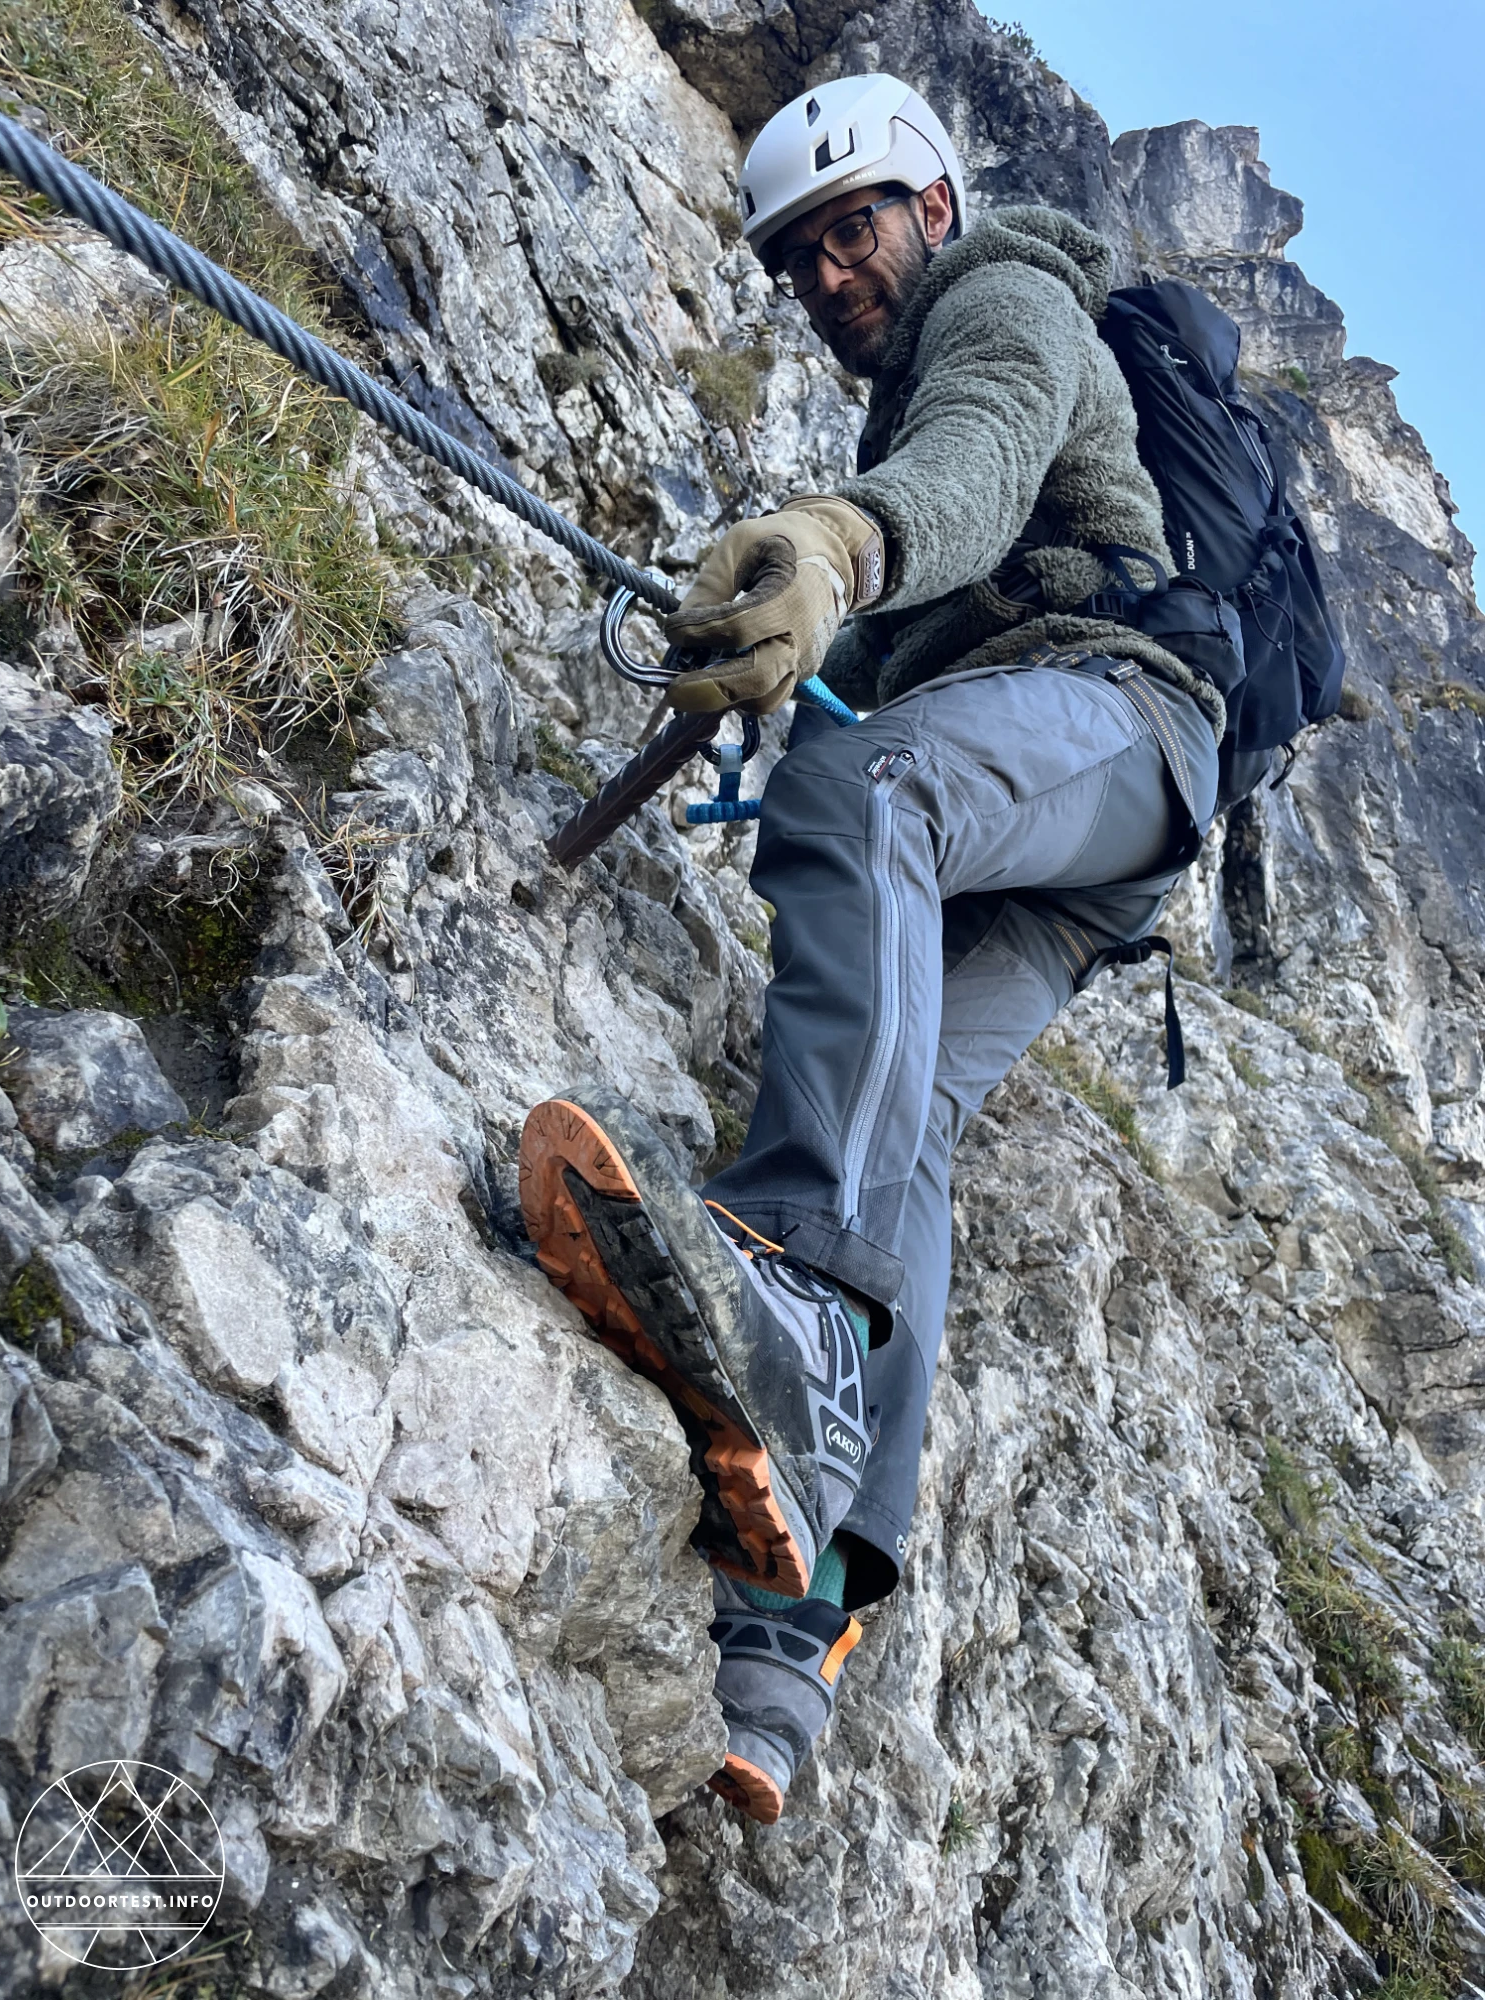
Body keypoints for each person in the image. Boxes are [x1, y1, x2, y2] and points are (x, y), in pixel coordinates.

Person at [518, 71, 1222, 1824]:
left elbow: (977, 457)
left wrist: (840, 540)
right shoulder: (914, 375)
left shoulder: (1010, 301)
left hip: (1117, 726)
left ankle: (800, 1299)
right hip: (1067, 861)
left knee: (865, 786)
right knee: (902, 1136)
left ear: (934, 205)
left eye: (856, 228)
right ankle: (787, 1652)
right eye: (800, 258)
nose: (833, 275)